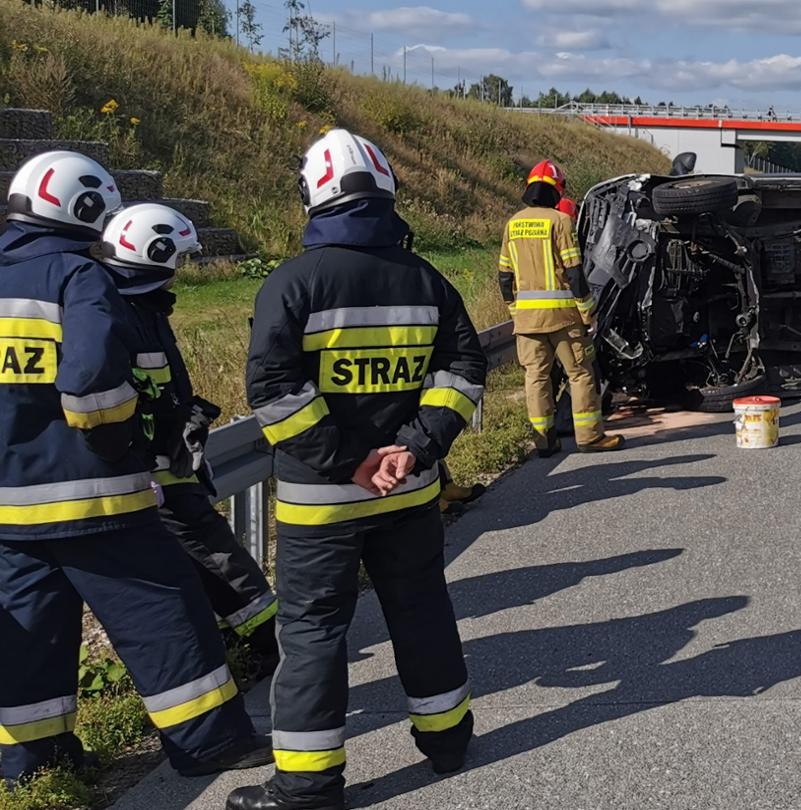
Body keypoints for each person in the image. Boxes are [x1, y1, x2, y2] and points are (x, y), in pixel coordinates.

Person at [227, 129, 486, 810]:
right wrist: (416, 447)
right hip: (408, 490)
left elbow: (275, 391)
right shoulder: (428, 280)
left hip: (322, 502)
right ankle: (448, 739)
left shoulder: (293, 283)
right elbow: (462, 371)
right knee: (423, 608)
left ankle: (309, 786)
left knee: (314, 633)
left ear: (313, 195)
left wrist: (351, 461)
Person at [0, 152, 269, 785]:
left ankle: (32, 763)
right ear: (84, 208)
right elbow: (93, 387)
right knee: (167, 612)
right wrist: (120, 444)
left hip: (8, 509)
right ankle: (208, 743)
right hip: (95, 500)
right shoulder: (78, 278)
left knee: (30, 634)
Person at [100, 203, 280, 669]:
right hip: (150, 466)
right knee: (214, 551)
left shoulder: (143, 307)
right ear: (153, 252)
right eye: (175, 259)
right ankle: (272, 642)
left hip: (170, 456)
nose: (179, 271)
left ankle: (237, 644)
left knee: (206, 553)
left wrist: (187, 414)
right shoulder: (116, 311)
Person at [498, 160, 623, 457]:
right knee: (580, 374)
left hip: (527, 321)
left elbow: (504, 276)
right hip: (564, 318)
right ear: (557, 190)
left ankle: (544, 442)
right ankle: (589, 437)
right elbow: (575, 273)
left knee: (536, 377)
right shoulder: (560, 222)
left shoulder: (512, 224)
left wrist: (516, 311)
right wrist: (587, 311)